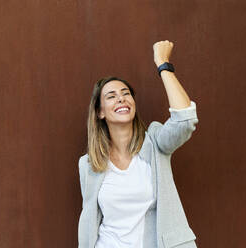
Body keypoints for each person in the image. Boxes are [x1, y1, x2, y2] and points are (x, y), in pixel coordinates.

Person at [78, 40, 199, 248]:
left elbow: (185, 120)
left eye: (126, 94)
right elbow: (90, 221)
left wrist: (163, 64)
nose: (121, 99)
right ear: (100, 112)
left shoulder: (155, 143)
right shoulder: (89, 164)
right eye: (111, 96)